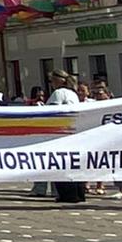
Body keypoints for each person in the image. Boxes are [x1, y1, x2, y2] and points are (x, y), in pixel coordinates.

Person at [46, 70, 86, 203]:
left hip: (61, 133)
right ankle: (79, 192)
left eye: (52, 80)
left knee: (61, 164)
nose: (51, 83)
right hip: (73, 131)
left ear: (60, 80)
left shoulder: (59, 93)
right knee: (73, 164)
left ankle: (67, 194)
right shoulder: (73, 94)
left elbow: (53, 112)